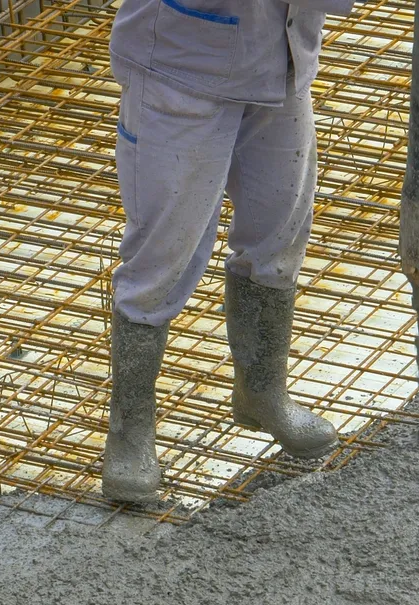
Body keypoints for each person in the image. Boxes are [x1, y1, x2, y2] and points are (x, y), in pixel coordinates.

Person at [103, 0, 356, 502]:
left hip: (283, 59)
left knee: (278, 231)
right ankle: (129, 433)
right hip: (184, 70)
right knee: (163, 256)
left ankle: (262, 393)